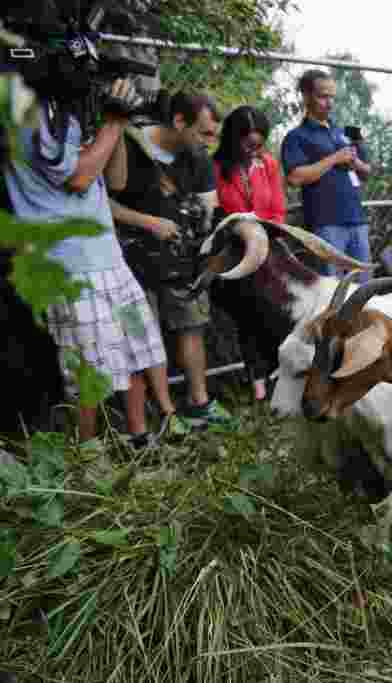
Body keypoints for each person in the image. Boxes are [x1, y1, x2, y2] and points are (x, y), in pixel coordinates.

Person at [1, 76, 180, 449]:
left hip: (111, 264)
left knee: (136, 345)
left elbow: (114, 180)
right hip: (71, 269)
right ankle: (87, 454)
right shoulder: (29, 122)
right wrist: (113, 123)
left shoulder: (71, 122)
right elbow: (81, 177)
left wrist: (115, 123)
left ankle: (140, 438)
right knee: (88, 365)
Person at [108, 91, 236, 433]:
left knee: (192, 326)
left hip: (183, 261)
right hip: (132, 262)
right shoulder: (131, 145)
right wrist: (150, 222)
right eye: (205, 133)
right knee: (139, 338)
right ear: (179, 121)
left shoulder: (198, 157)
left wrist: (207, 222)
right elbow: (104, 203)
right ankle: (156, 417)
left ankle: (199, 403)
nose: (211, 143)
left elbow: (209, 205)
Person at [212, 105, 286, 401]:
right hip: (235, 253)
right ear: (233, 138)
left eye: (260, 143)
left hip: (270, 249)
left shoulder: (267, 164)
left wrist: (271, 231)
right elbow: (218, 211)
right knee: (247, 318)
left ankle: (279, 379)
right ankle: (258, 387)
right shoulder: (216, 167)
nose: (254, 149)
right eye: (248, 143)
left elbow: (278, 208)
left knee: (274, 315)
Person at [281, 69, 373, 282]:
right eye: (323, 96)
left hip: (357, 219)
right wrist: (333, 159)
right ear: (306, 96)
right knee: (332, 289)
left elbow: (368, 172)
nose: (329, 102)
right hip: (326, 223)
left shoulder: (349, 131)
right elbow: (295, 178)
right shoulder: (296, 137)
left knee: (364, 286)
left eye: (332, 96)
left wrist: (355, 162)